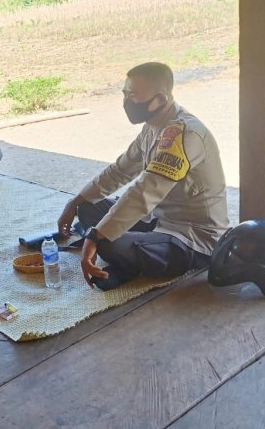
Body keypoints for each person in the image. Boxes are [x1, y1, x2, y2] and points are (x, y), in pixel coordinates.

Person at [57, 62, 229, 290]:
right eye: (125, 93)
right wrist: (75, 202)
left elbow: (145, 192)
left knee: (108, 243)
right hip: (156, 218)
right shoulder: (153, 126)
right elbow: (120, 171)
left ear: (160, 99)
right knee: (88, 208)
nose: (127, 101)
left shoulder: (183, 133)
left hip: (191, 236)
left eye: (133, 95)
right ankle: (133, 254)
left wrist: (96, 237)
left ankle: (134, 260)